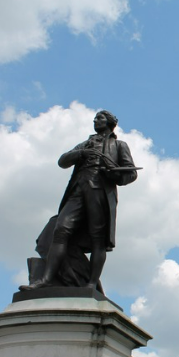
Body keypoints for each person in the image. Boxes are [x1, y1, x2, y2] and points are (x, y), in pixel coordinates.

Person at [22, 110, 137, 292]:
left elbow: (130, 173)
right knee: (60, 230)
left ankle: (91, 284)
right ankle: (46, 280)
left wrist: (112, 172)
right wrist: (82, 153)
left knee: (97, 239)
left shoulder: (119, 145)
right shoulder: (85, 144)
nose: (95, 120)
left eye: (100, 117)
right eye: (95, 118)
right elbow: (63, 161)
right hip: (78, 190)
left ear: (110, 122)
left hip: (99, 191)